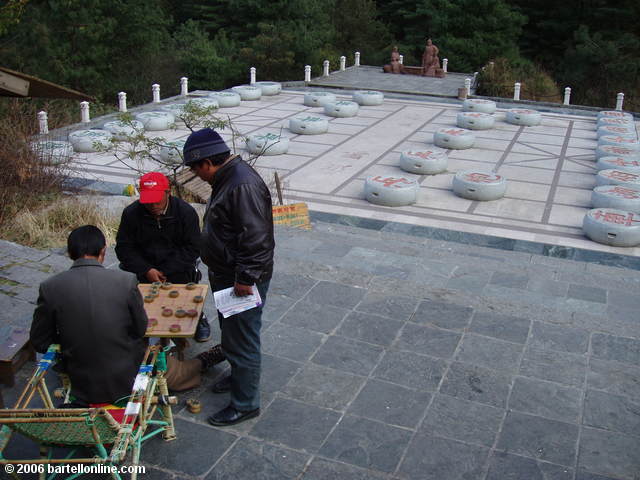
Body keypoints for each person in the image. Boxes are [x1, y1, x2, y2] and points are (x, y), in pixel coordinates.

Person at [30, 225, 225, 405]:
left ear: (70, 253)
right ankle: (203, 361)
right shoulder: (125, 281)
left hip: (79, 374)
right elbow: (141, 330)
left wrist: (71, 341)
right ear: (103, 252)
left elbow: (39, 341)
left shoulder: (49, 287)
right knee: (174, 370)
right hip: (125, 375)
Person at [183, 128, 275, 427]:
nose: (198, 176)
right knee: (232, 330)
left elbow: (258, 239)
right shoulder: (228, 178)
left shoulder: (241, 185)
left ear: (207, 163)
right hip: (228, 273)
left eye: (196, 170)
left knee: (243, 336)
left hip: (240, 277)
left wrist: (245, 278)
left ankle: (246, 403)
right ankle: (238, 376)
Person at [115, 171, 213, 344]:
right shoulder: (131, 214)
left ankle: (197, 317)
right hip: (144, 268)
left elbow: (193, 248)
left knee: (183, 293)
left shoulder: (185, 212)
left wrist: (166, 269)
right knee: (143, 303)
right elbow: (124, 248)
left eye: (157, 199)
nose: (153, 205)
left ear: (168, 193)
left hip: (177, 266)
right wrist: (147, 269)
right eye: (148, 200)